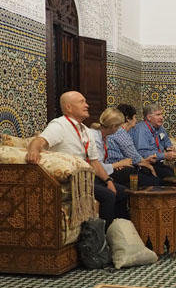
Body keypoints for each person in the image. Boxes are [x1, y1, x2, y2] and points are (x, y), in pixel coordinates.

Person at [25, 91, 129, 225]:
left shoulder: (86, 130)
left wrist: (108, 180)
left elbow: (94, 162)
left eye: (85, 102)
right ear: (68, 107)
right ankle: (103, 239)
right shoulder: (59, 125)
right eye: (82, 102)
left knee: (122, 192)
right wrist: (33, 151)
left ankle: (121, 233)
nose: (87, 105)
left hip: (88, 177)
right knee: (108, 196)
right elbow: (39, 141)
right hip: (71, 180)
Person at [107, 104, 158, 187]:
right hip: (117, 169)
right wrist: (149, 166)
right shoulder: (121, 133)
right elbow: (135, 158)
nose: (136, 120)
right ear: (127, 118)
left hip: (122, 166)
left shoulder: (123, 132)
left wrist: (144, 161)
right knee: (154, 180)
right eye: (134, 117)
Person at [132, 103, 176, 181]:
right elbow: (142, 153)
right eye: (158, 115)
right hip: (144, 164)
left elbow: (167, 142)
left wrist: (170, 148)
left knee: (174, 173)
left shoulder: (160, 129)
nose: (162, 117)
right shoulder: (141, 130)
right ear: (149, 117)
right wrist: (164, 155)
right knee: (169, 175)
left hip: (158, 162)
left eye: (161, 114)